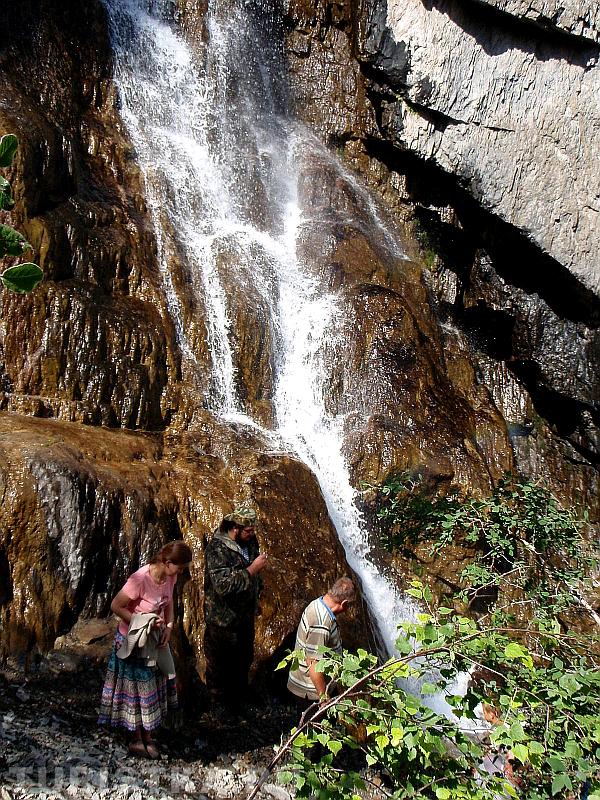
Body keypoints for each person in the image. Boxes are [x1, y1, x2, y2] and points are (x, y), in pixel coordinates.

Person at [98, 540, 193, 758]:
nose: (181, 572)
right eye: (180, 567)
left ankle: (148, 736)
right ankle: (135, 738)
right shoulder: (139, 579)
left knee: (152, 688)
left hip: (154, 641)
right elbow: (115, 605)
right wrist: (142, 621)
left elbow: (169, 603)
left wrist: (169, 626)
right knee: (136, 691)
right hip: (133, 643)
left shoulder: (171, 577)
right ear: (168, 562)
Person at [203, 507, 267, 716]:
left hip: (244, 616)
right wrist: (251, 570)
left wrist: (257, 597)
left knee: (243, 659)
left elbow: (255, 578)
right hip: (222, 619)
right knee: (219, 665)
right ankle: (219, 705)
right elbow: (222, 586)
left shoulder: (250, 542)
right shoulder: (216, 549)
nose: (252, 533)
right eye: (248, 530)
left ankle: (240, 698)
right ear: (234, 528)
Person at [287, 577, 356, 709]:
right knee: (313, 728)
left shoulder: (319, 603)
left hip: (312, 685)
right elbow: (312, 661)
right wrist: (323, 698)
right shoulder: (321, 623)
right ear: (344, 603)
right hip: (310, 691)